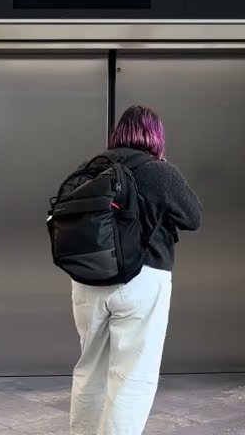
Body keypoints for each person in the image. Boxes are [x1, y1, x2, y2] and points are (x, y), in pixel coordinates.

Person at [68, 105, 202, 435]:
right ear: (156, 136)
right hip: (143, 280)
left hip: (87, 280)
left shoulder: (89, 168)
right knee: (131, 377)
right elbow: (193, 217)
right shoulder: (159, 172)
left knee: (89, 371)